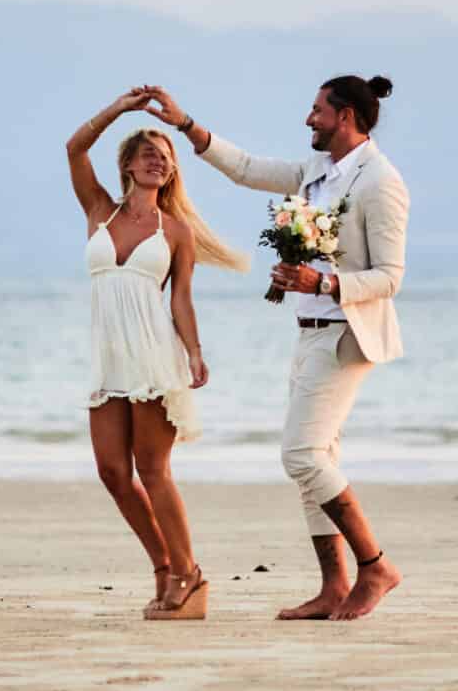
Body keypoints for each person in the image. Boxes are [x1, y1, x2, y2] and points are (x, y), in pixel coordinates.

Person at [142, 77, 409, 622]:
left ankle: (375, 566)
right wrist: (183, 123)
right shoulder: (317, 171)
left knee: (301, 456)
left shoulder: (380, 181)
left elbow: (390, 277)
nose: (308, 119)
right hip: (309, 330)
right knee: (317, 459)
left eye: (317, 110)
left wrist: (324, 283)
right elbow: (244, 168)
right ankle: (333, 587)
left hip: (344, 333)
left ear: (346, 116)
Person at [65, 88, 250, 620]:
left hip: (153, 356)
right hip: (109, 358)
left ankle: (188, 574)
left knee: (153, 468)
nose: (158, 161)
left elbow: (181, 299)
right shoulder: (99, 211)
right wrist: (119, 109)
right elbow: (75, 148)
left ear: (171, 173)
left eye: (166, 158)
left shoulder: (176, 231)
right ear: (127, 164)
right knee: (111, 471)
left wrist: (194, 353)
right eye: (149, 153)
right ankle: (164, 566)